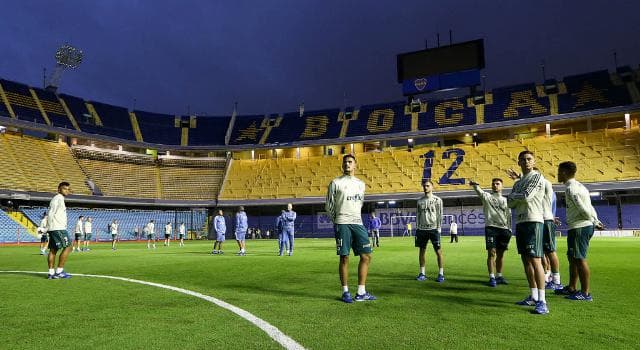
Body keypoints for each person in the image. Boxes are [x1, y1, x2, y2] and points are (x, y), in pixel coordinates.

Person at [326, 154, 376, 303]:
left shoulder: (361, 184)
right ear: (342, 165)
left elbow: (360, 203)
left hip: (358, 223)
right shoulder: (335, 183)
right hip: (342, 223)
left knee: (366, 256)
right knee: (344, 257)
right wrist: (337, 220)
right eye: (345, 162)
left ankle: (361, 292)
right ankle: (345, 291)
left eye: (350, 162)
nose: (347, 164)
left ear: (355, 165)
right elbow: (329, 206)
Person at [507, 150, 548, 315]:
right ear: (518, 163)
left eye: (529, 159)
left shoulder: (537, 176)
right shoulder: (517, 182)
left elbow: (526, 196)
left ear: (534, 161)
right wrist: (516, 197)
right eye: (523, 159)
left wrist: (514, 197)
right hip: (521, 222)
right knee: (526, 261)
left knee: (536, 260)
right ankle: (533, 296)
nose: (526, 162)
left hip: (533, 221)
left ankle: (543, 301)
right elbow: (510, 203)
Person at [556, 161, 604, 301]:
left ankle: (585, 293)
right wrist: (596, 219)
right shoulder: (580, 186)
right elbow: (589, 206)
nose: (557, 174)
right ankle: (571, 287)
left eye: (559, 171)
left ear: (564, 172)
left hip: (580, 227)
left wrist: (594, 221)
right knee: (572, 258)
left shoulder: (572, 189)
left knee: (579, 258)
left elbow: (582, 208)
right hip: (579, 226)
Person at [470, 178, 512, 287]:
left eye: (498, 184)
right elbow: (479, 191)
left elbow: (509, 215)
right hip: (491, 228)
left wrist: (509, 229)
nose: (495, 185)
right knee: (492, 252)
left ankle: (499, 276)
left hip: (504, 229)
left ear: (502, 186)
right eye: (493, 184)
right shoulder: (487, 197)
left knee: (501, 254)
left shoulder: (506, 200)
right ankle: (492, 277)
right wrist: (475, 185)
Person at [415, 180, 445, 283]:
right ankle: (422, 273)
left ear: (432, 187)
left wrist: (439, 228)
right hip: (422, 229)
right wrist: (417, 227)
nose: (425, 187)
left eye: (428, 186)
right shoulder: (419, 201)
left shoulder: (438, 200)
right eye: (424, 186)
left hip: (434, 229)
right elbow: (418, 215)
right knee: (422, 251)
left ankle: (441, 274)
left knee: (438, 251)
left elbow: (440, 215)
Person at [46, 182, 73, 279]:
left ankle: (51, 273)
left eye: (68, 189)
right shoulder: (58, 198)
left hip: (55, 228)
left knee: (53, 250)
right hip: (58, 228)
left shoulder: (59, 199)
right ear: (59, 189)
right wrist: (47, 227)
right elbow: (50, 213)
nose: (67, 190)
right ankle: (59, 271)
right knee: (69, 247)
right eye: (64, 188)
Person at [542, 178, 563, 290]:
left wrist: (551, 217)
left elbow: (549, 206)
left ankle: (556, 280)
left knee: (549, 251)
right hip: (541, 220)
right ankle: (548, 275)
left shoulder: (546, 187)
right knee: (544, 251)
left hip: (545, 220)